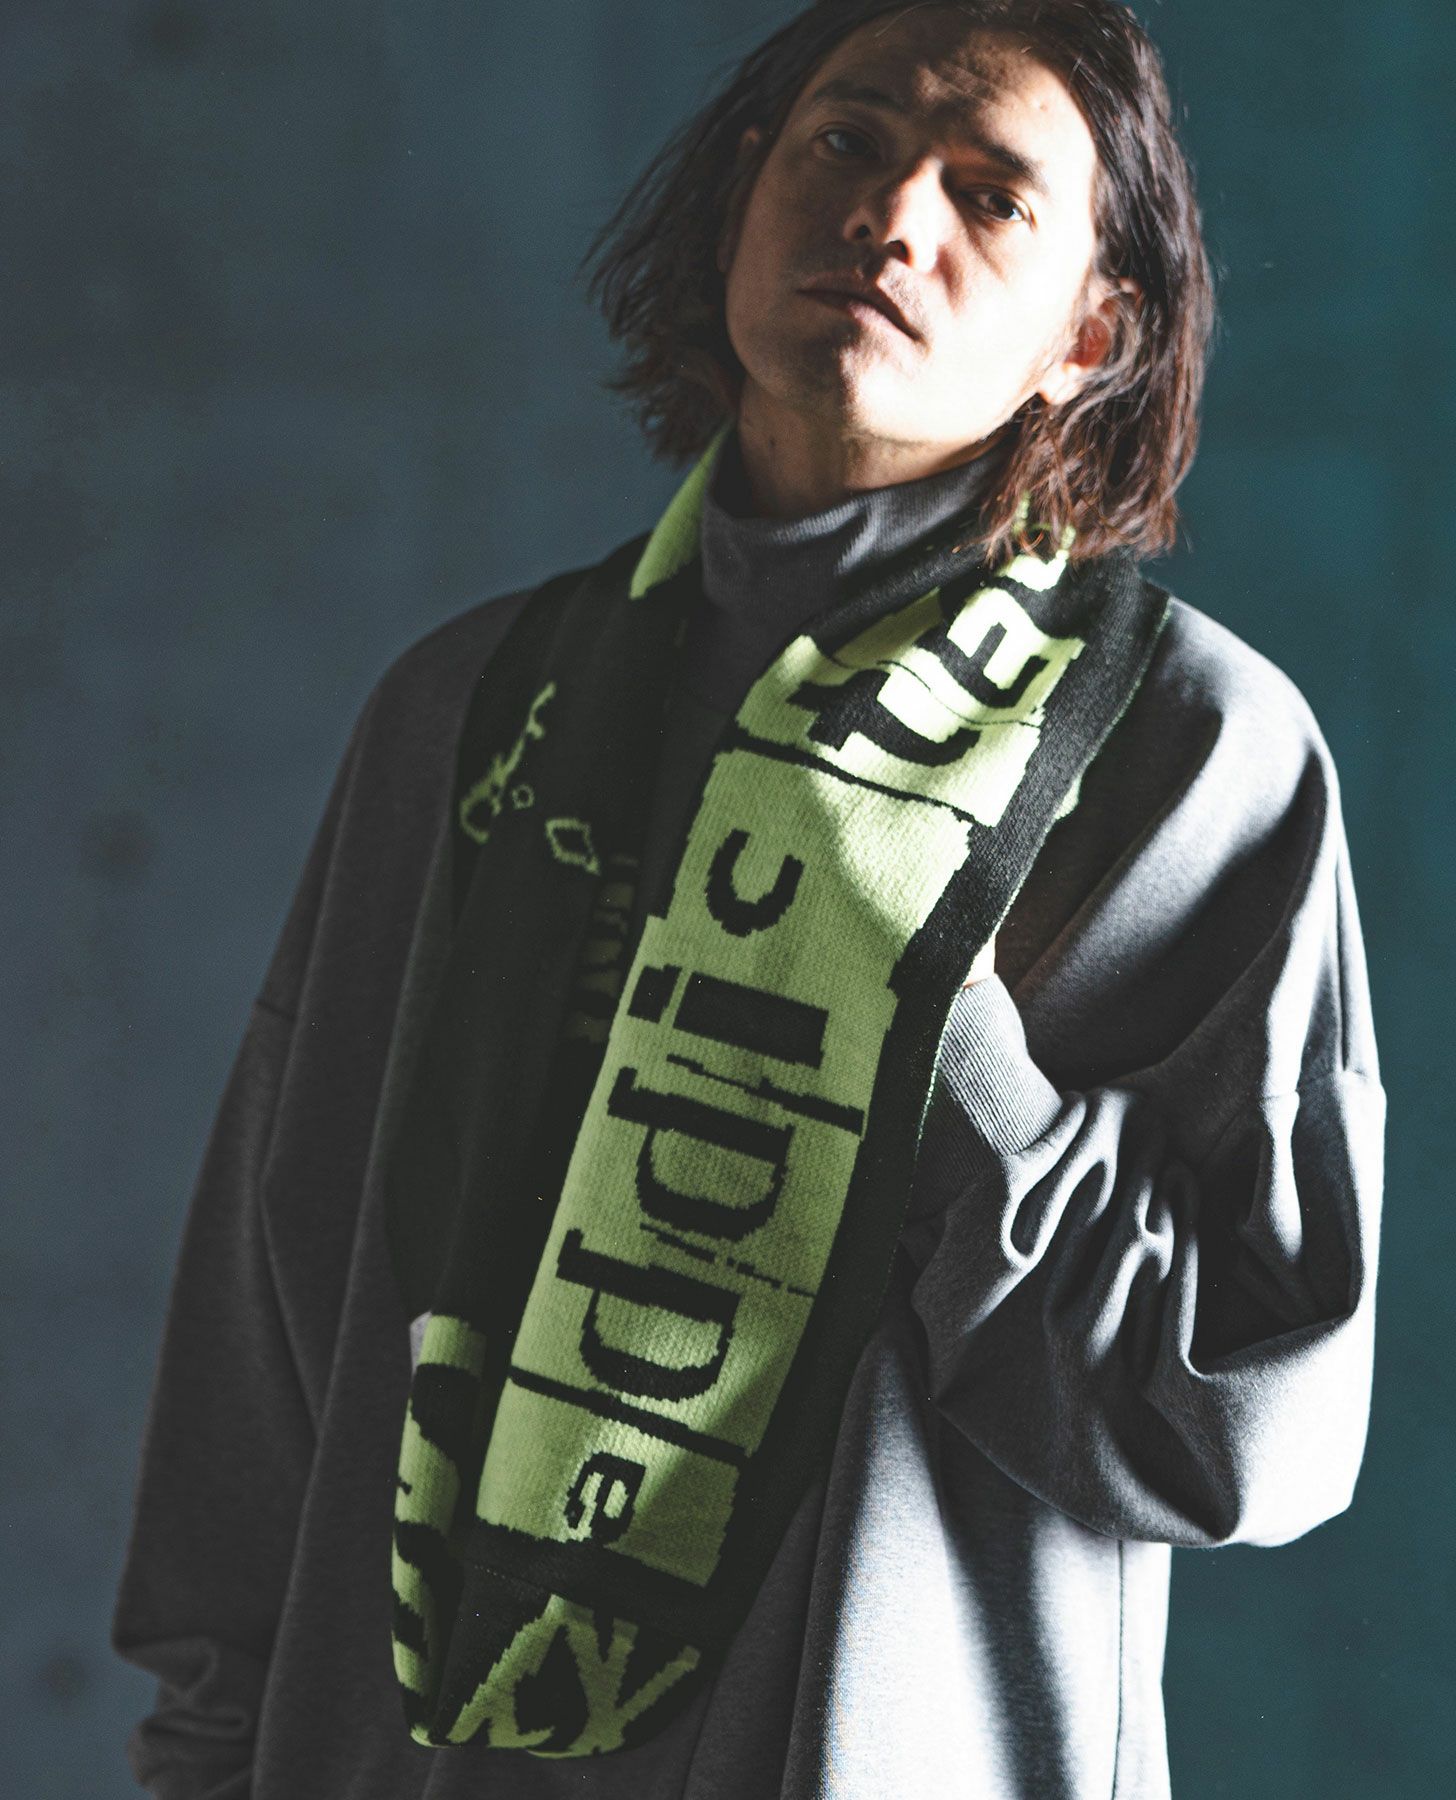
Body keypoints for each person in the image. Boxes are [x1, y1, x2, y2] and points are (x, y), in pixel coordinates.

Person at [110, 2, 1384, 1795]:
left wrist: (929, 1024)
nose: (893, 217)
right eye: (847, 144)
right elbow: (273, 1325)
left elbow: (1249, 1428)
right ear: (737, 207)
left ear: (1089, 337)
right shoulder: (479, 714)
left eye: (991, 196)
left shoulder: (1183, 749)